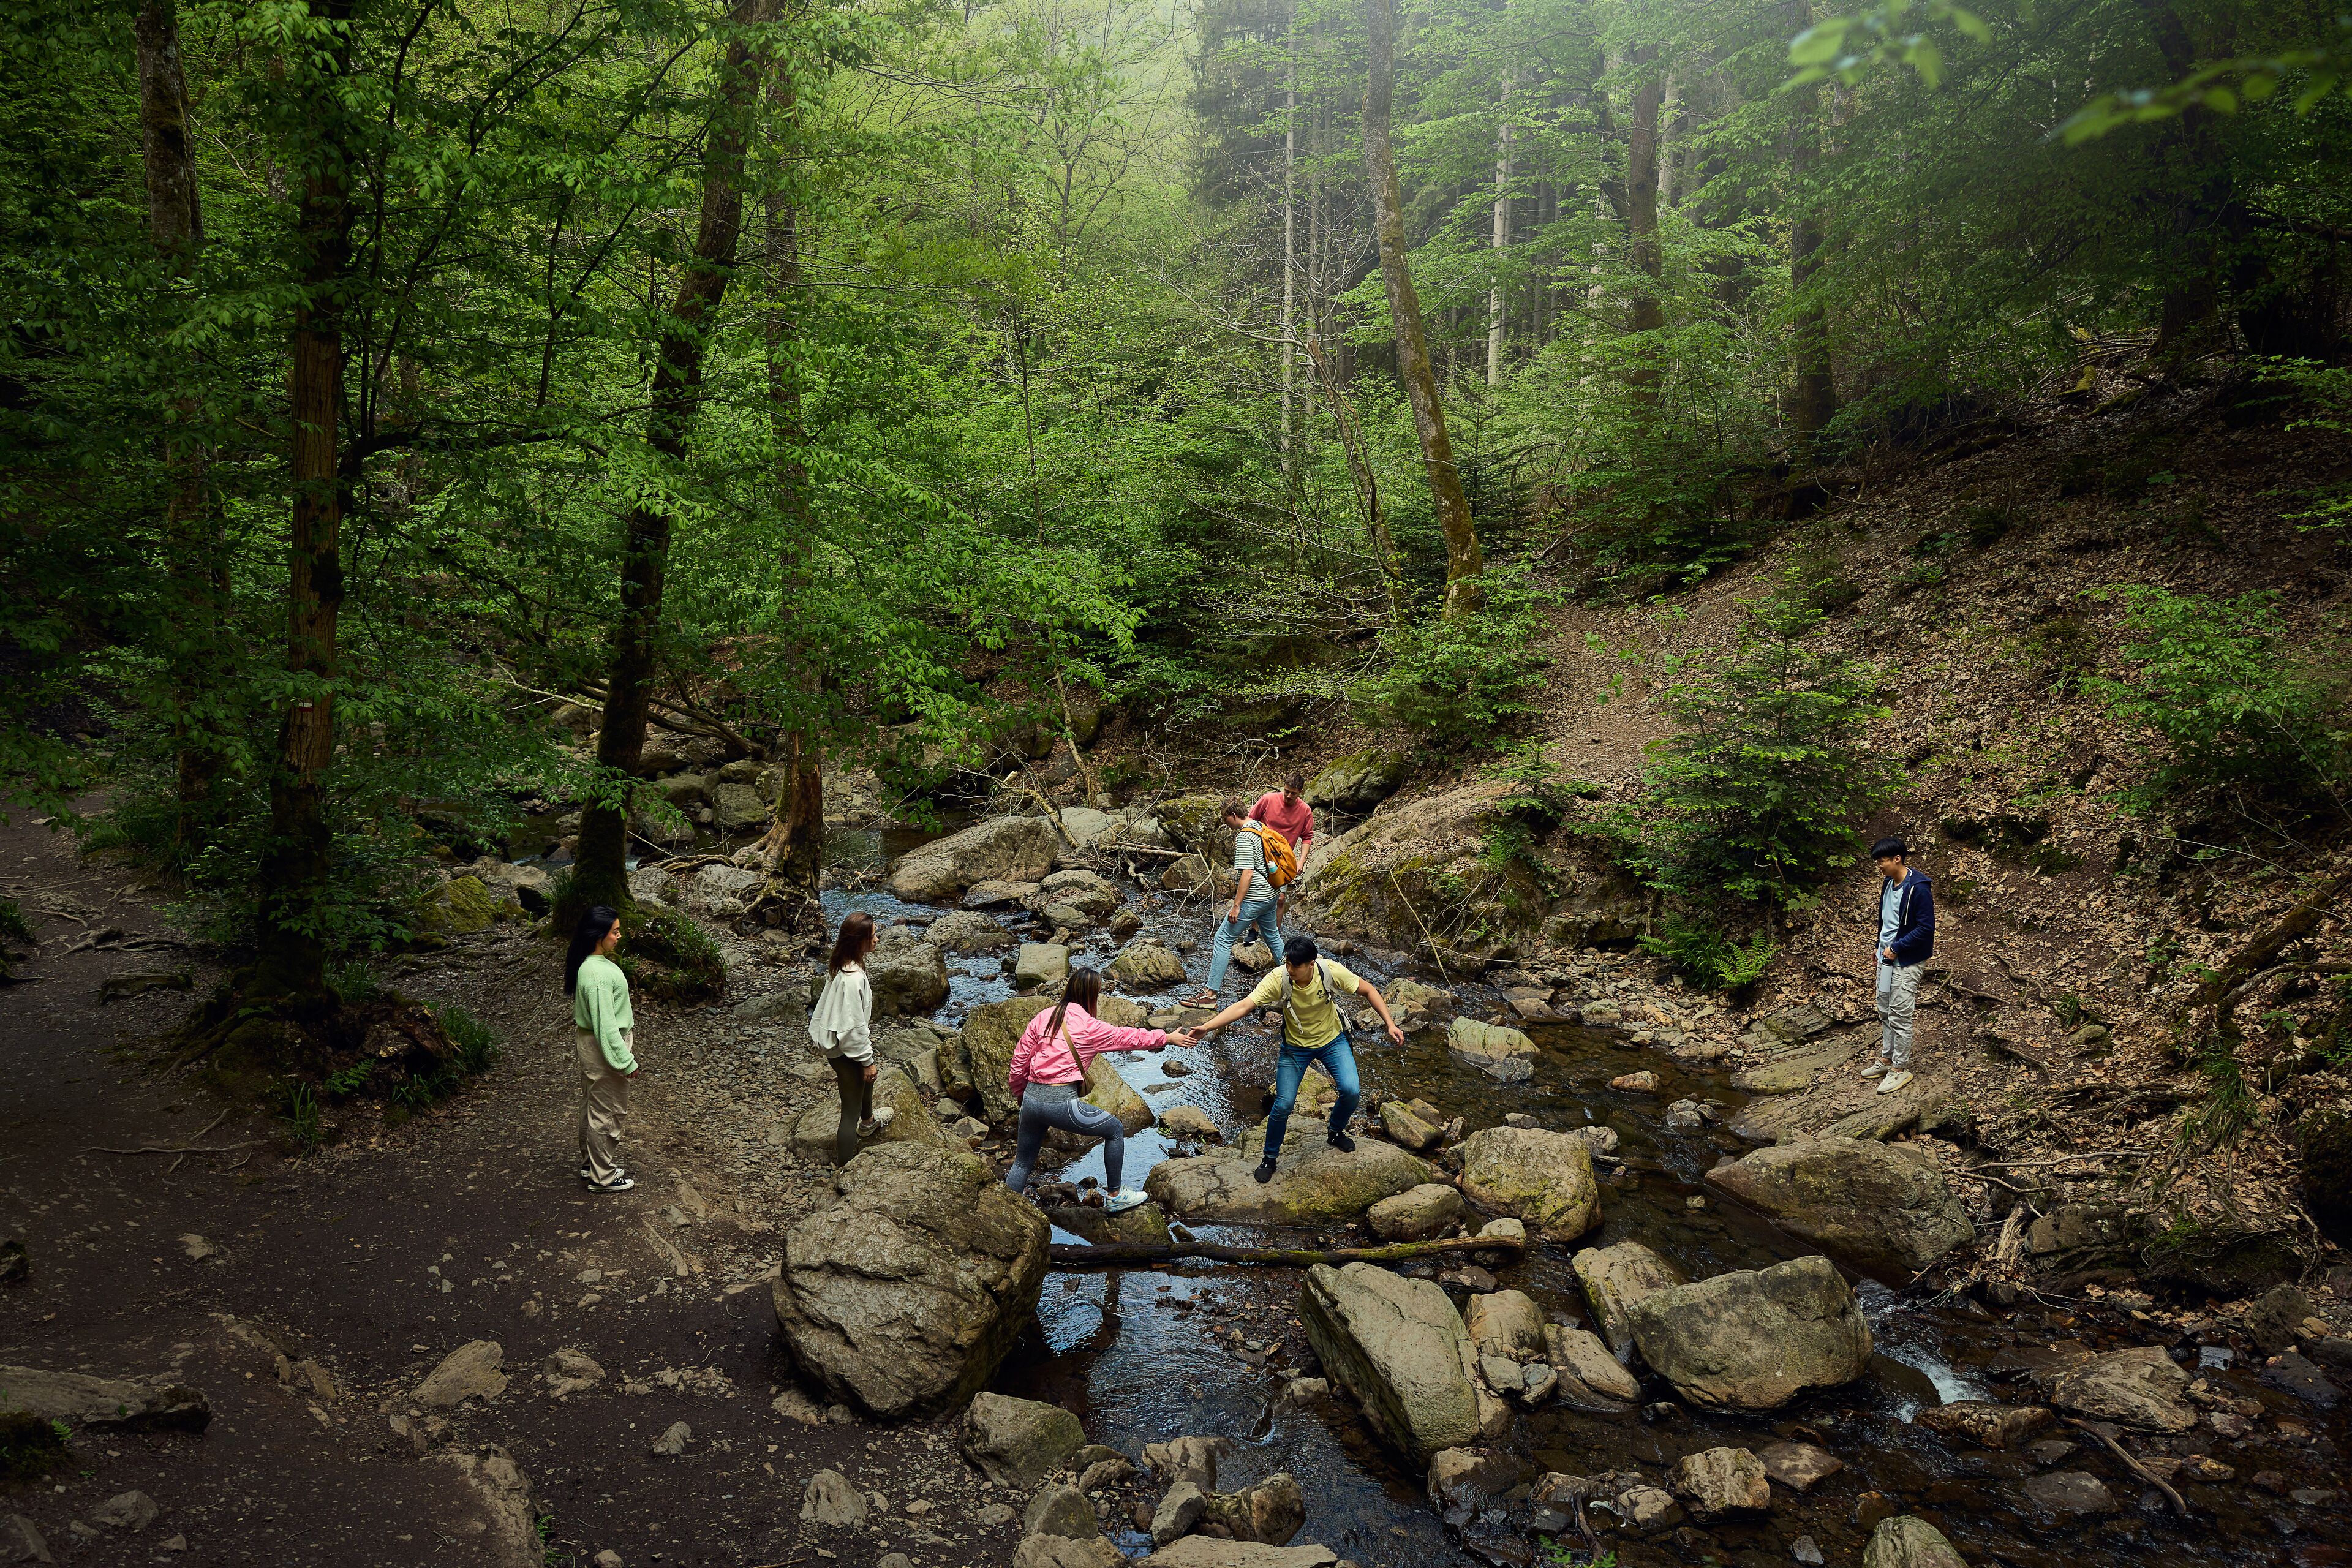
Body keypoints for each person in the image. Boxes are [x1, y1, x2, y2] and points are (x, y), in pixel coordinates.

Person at [1193, 935, 1405, 1185]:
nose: (1290, 969)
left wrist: (1390, 1023)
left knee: (1351, 1091)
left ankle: (1335, 1131)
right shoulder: (1279, 979)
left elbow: (1368, 989)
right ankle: (1269, 1158)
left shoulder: (1329, 971)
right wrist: (1207, 1026)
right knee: (1283, 1105)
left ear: (1311, 963)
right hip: (1295, 1048)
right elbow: (1244, 1006)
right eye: (1287, 963)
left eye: (1296, 965)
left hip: (1332, 1041)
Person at [1005, 967, 1189, 1213]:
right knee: (1115, 1130)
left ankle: (1007, 1210)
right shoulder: (1089, 1027)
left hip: (1031, 1098)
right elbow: (1128, 1038)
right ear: (1092, 995)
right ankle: (1116, 1195)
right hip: (1061, 1103)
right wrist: (1166, 1037)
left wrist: (1021, 1094)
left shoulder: (1044, 1016)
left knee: (1022, 1163)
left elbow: (1020, 1061)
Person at [810, 911, 896, 1164]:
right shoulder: (853, 979)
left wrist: (866, 1063)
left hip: (837, 1043)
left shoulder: (842, 963)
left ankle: (868, 1121)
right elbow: (853, 1030)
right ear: (859, 941)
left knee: (866, 1079)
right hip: (842, 1049)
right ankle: (845, 1168)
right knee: (850, 1111)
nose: (877, 939)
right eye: (873, 936)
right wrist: (867, 1060)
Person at [1182, 797, 1286, 1008]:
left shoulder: (1245, 836)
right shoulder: (1259, 826)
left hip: (1256, 897)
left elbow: (1248, 873)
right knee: (1273, 937)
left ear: (1233, 816)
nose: (1225, 824)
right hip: (1271, 893)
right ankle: (1298, 980)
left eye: (1225, 819)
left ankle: (1210, 995)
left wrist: (1236, 905)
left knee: (1222, 939)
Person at [565, 905, 638, 1193]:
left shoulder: (590, 964)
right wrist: (625, 1062)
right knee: (607, 1112)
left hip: (592, 1045)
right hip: (604, 1047)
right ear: (598, 935)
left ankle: (591, 1165)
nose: (619, 936)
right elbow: (605, 1026)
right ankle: (603, 1177)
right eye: (614, 932)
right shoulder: (597, 975)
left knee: (593, 1107)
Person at [1864, 835, 1935, 1095]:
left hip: (1906, 960)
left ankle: (1900, 1068)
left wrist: (1896, 948)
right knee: (1884, 1009)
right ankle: (1886, 1060)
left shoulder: (1918, 888)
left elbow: (1926, 929)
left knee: (1900, 1015)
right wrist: (1879, 947)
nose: (1879, 866)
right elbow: (1886, 921)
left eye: (1882, 861)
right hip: (1886, 958)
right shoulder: (1888, 883)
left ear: (1897, 859)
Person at [1249, 772, 1315, 927]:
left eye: (1293, 793)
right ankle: (1254, 931)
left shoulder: (1305, 810)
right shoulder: (1268, 799)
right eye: (1286, 791)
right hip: (1261, 854)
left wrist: (1301, 861)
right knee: (1258, 895)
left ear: (1301, 792)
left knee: (1280, 898)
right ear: (1283, 787)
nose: (1289, 796)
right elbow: (1250, 821)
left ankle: (1275, 934)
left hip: (1283, 859)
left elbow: (1307, 837)